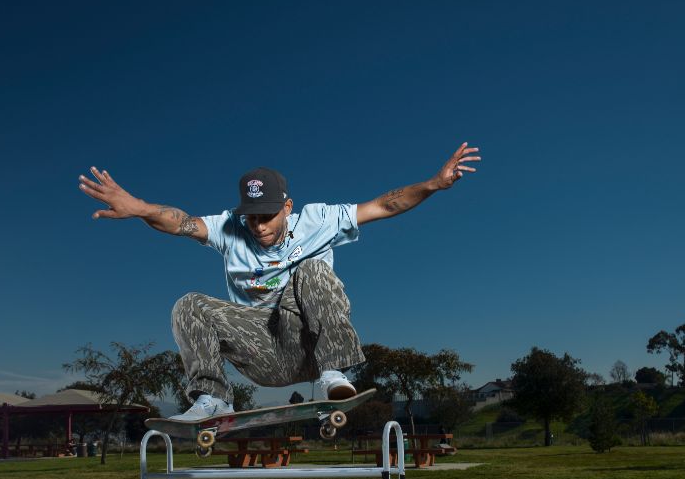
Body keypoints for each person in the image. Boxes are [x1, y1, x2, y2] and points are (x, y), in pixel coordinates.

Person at [78, 143, 480, 420]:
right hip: (260, 350)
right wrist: (139, 208)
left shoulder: (319, 221)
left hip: (309, 343)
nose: (260, 226)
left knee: (312, 271)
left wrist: (433, 184)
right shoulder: (229, 228)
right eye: (253, 217)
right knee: (189, 304)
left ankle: (334, 374)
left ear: (287, 207)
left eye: (269, 216)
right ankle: (213, 400)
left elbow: (384, 204)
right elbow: (181, 223)